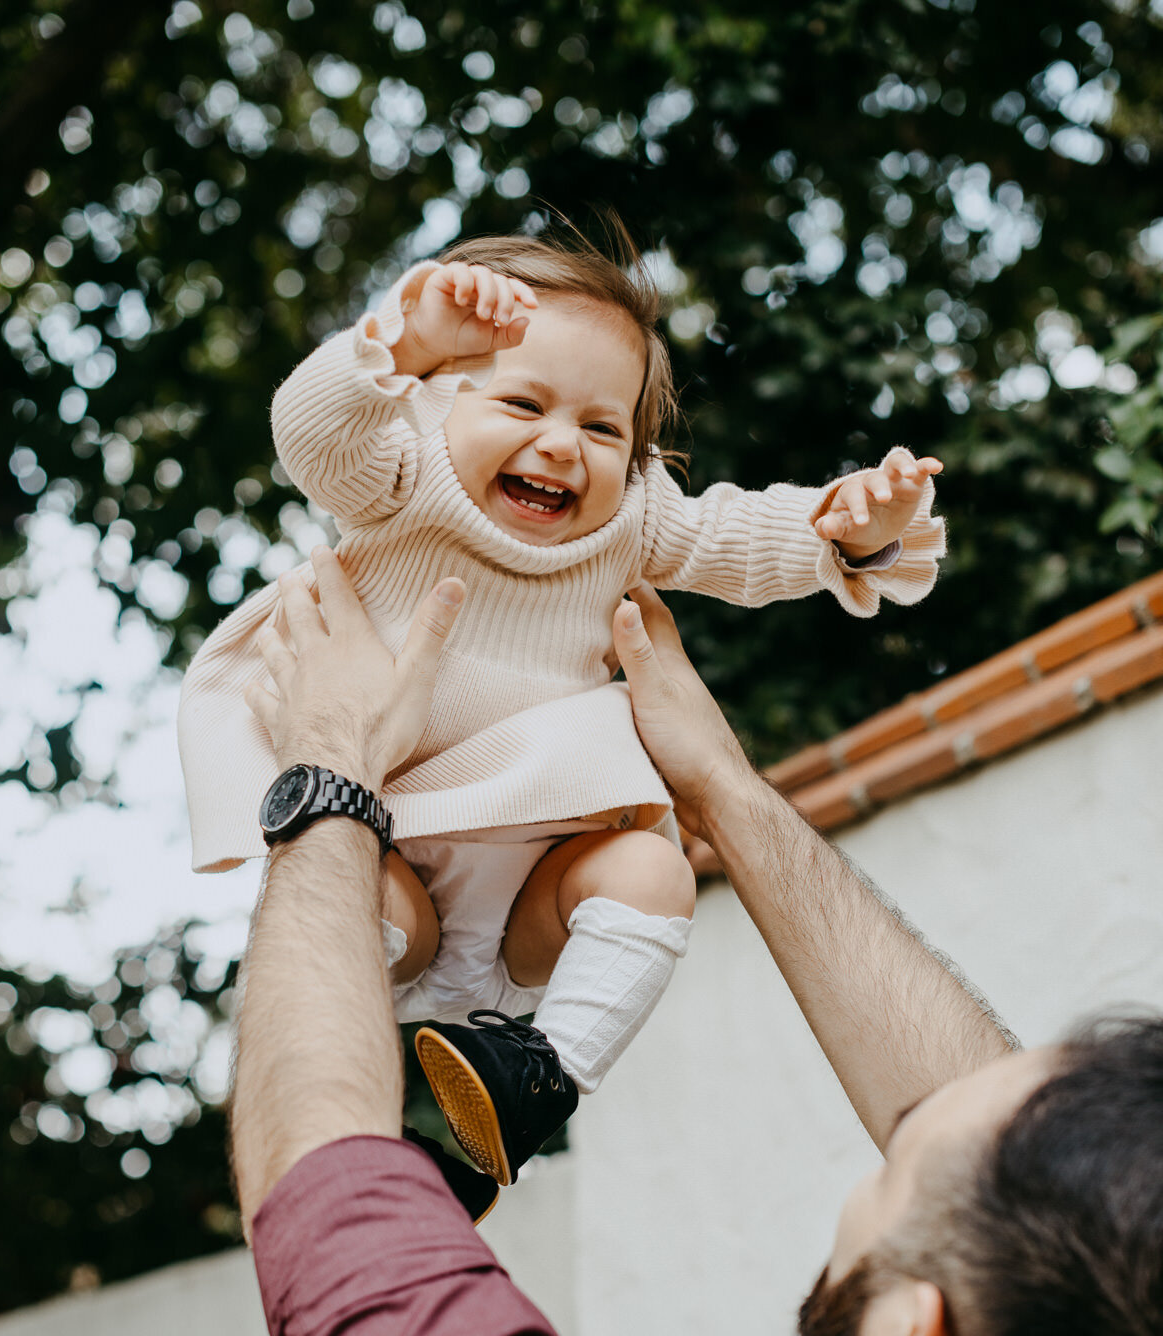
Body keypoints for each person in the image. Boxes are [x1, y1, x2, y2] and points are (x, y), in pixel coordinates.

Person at [231, 548, 1163, 1336]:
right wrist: (721, 788)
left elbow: (330, 1200)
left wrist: (330, 769)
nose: (906, 1123)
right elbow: (1033, 1181)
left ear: (905, 1335)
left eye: (900, 1161)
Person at [181, 228, 945, 1193]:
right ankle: (357, 1122)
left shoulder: (632, 516)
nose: (560, 444)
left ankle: (536, 1079)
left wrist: (845, 528)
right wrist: (402, 347)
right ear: (439, 401)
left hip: (536, 896)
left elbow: (732, 536)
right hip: (387, 851)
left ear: (635, 455)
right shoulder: (402, 474)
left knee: (654, 871)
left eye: (601, 427)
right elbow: (314, 435)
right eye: (521, 402)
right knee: (353, 908)